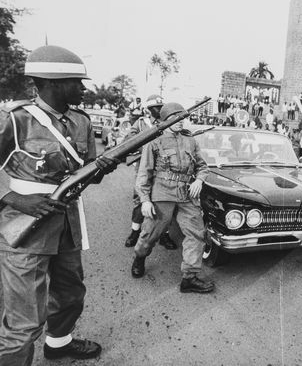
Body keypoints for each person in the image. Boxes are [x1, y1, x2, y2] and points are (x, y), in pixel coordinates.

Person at [0, 45, 117, 364]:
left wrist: (103, 169)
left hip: (66, 225)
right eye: (76, 82)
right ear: (51, 83)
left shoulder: (81, 121)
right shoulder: (16, 119)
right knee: (24, 319)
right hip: (25, 231)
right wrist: (16, 199)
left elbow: (87, 173)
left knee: (70, 294)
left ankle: (59, 344)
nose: (83, 88)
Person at [131, 102, 215, 294]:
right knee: (151, 233)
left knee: (196, 233)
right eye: (176, 119)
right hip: (162, 193)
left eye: (183, 118)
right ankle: (140, 257)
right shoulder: (154, 141)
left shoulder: (190, 141)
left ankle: (190, 277)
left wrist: (199, 181)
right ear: (165, 121)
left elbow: (202, 166)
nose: (181, 122)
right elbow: (144, 173)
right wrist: (144, 199)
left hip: (187, 193)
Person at [123, 94, 176, 250]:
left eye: (161, 107)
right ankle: (135, 231)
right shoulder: (141, 123)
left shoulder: (168, 123)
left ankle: (164, 234)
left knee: (164, 201)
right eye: (156, 108)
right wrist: (146, 146)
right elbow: (128, 142)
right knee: (140, 199)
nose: (159, 110)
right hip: (144, 167)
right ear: (148, 109)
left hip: (164, 168)